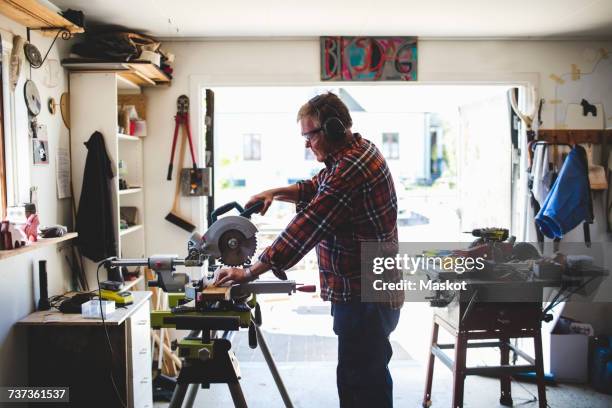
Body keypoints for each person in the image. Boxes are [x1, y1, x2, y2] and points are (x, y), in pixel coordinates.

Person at [215, 92, 401, 407]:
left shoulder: (348, 172)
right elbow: (317, 187)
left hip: (363, 296)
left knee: (362, 387)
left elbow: (305, 229)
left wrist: (248, 271)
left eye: (309, 136)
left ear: (331, 128)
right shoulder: (358, 150)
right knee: (364, 378)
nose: (307, 144)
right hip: (371, 290)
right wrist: (273, 193)